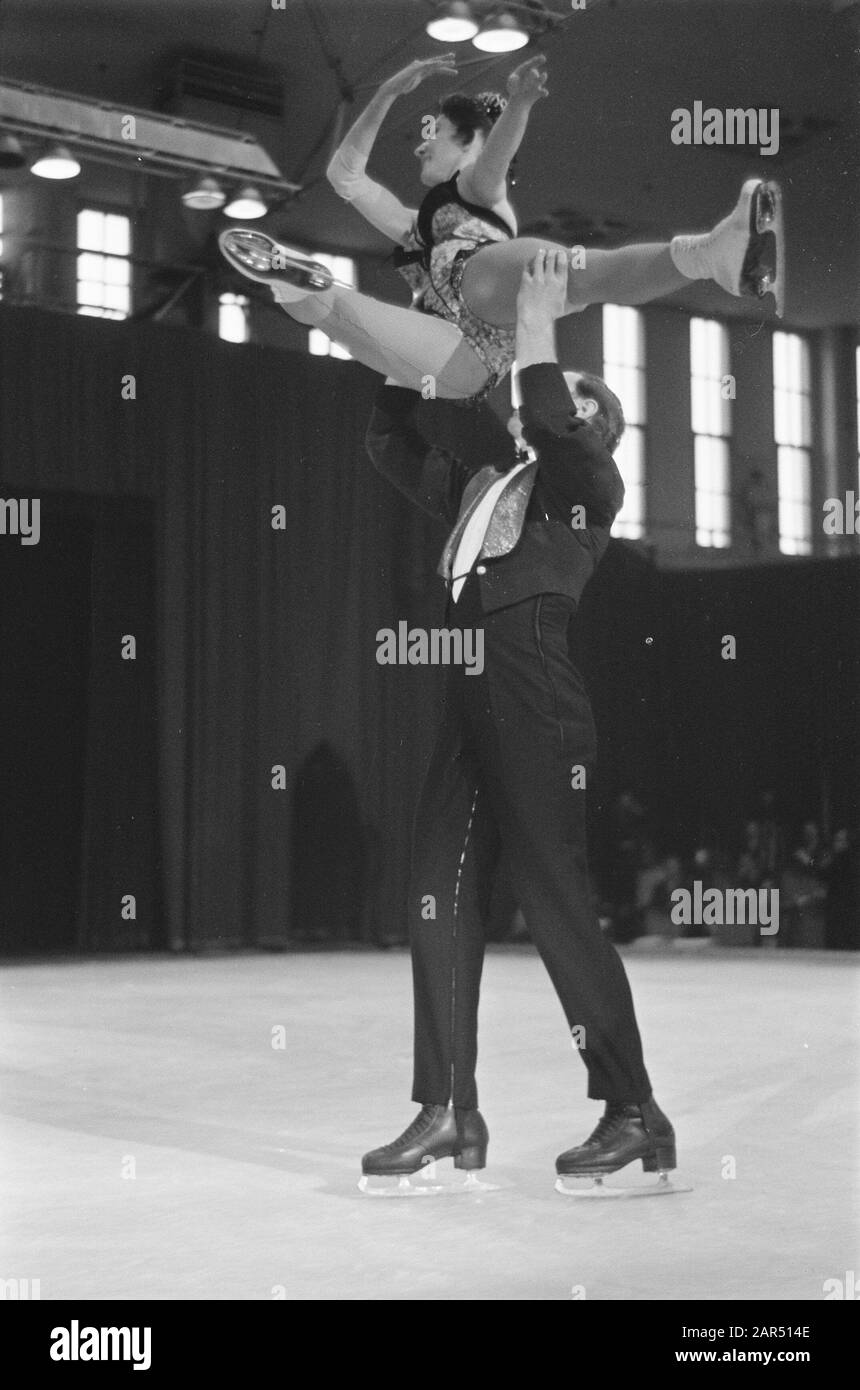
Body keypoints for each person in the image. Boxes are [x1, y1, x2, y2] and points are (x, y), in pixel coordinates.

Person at [358, 247, 675, 1191]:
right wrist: (394, 350)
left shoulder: (590, 486)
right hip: (470, 681)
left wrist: (540, 325)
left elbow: (543, 412)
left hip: (532, 678)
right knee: (436, 890)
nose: (535, 403)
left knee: (553, 900)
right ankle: (448, 1108)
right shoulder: (484, 484)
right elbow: (390, 446)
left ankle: (632, 1110)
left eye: (566, 397)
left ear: (592, 423)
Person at [219, 54, 785, 401]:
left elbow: (492, 166)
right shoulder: (421, 231)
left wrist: (517, 105)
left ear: (469, 142)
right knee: (342, 315)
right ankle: (298, 286)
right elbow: (344, 176)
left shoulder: (475, 195)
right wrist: (388, 92)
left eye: (434, 131)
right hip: (455, 353)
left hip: (471, 332)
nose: (421, 140)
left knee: (550, 271)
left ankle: (714, 255)